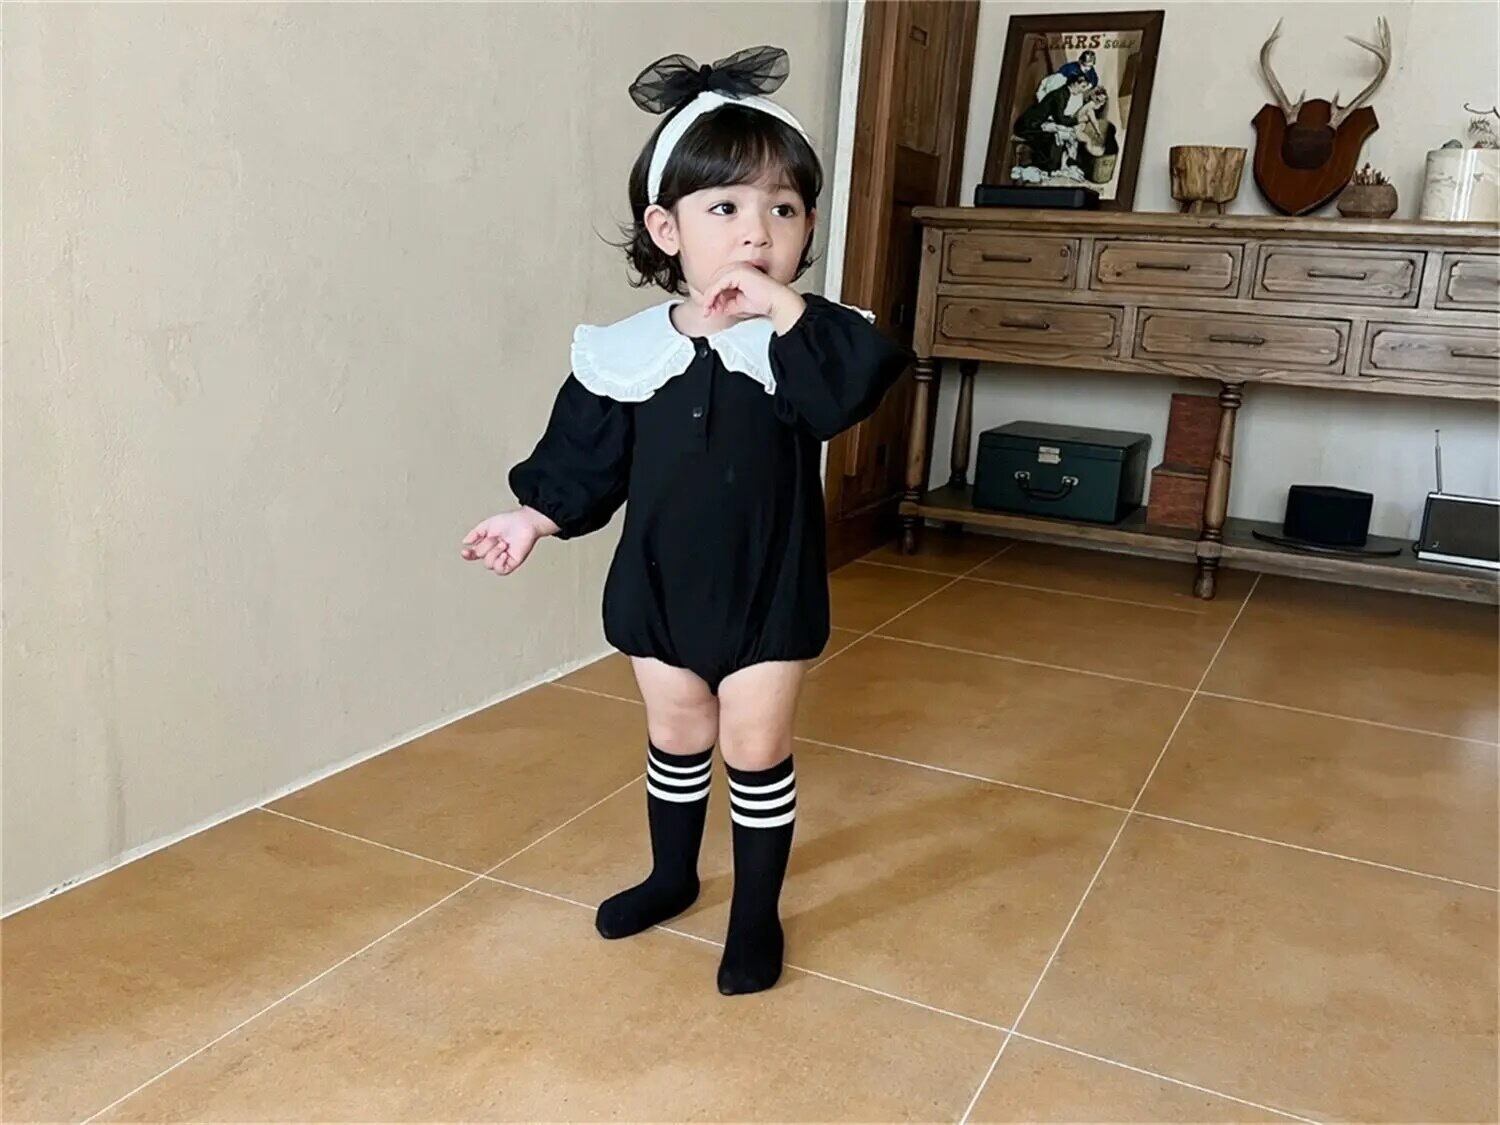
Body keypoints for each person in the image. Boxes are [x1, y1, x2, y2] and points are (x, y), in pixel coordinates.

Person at [459, 46, 909, 996]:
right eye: (726, 208)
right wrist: (533, 516)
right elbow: (585, 454)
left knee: (755, 748)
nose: (756, 232)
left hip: (767, 588)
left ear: (807, 228)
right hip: (660, 586)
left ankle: (755, 915)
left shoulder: (807, 343)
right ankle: (672, 874)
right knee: (676, 734)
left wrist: (783, 308)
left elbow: (848, 390)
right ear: (666, 229)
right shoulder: (627, 353)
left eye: (782, 210)